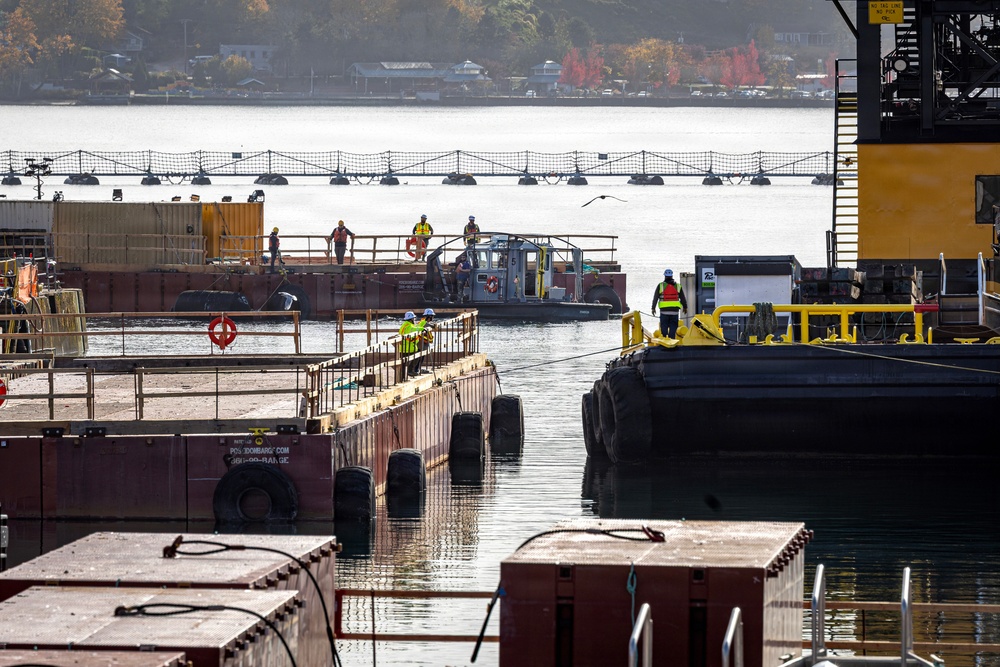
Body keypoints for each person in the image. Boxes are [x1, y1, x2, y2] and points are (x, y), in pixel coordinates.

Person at [651, 268, 687, 338]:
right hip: (675, 311)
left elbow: (655, 298)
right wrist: (685, 307)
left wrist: (653, 308)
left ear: (665, 276)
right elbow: (682, 298)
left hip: (664, 311)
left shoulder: (660, 286)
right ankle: (672, 340)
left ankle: (665, 341)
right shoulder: (678, 286)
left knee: (664, 327)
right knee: (673, 326)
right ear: (672, 276)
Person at [397, 311, 422, 380]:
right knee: (417, 355)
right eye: (413, 319)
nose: (414, 320)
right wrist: (422, 329)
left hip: (403, 348)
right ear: (411, 319)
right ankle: (410, 371)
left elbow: (416, 327)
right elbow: (414, 329)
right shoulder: (409, 326)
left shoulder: (404, 325)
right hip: (409, 348)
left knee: (403, 363)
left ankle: (401, 378)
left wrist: (423, 323)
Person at [411, 308, 436, 375]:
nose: (432, 318)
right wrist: (434, 326)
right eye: (432, 316)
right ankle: (416, 369)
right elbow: (432, 326)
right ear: (429, 316)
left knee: (421, 357)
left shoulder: (423, 322)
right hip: (421, 342)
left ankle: (417, 369)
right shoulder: (424, 322)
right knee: (419, 357)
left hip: (423, 342)